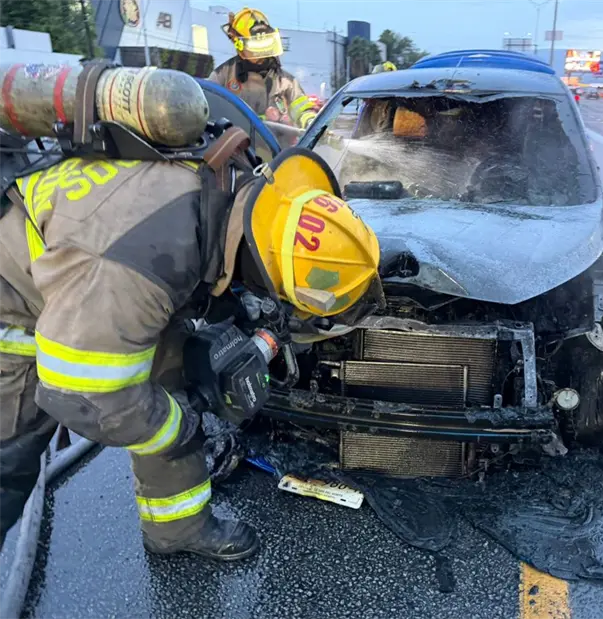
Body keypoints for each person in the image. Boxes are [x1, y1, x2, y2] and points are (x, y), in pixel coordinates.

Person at [0, 146, 381, 559]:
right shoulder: (130, 271)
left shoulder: (228, 185)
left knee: (169, 374)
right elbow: (83, 395)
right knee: (10, 462)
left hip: (97, 289)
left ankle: (177, 529)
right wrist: (178, 423)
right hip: (16, 309)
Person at [208, 7, 318, 129]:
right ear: (239, 45)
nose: (261, 54)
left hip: (277, 146)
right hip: (236, 145)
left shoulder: (286, 82)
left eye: (265, 46)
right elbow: (209, 112)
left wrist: (310, 121)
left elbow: (302, 109)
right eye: (255, 48)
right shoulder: (222, 76)